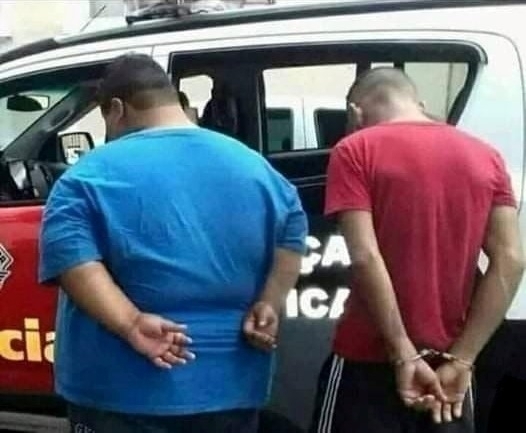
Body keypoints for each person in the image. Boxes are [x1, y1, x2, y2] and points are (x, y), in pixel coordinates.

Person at [39, 54, 307, 433]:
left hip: (119, 390)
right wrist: (270, 301)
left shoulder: (85, 177)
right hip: (230, 385)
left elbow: (73, 262)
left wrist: (130, 323)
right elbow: (292, 231)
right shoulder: (257, 168)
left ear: (116, 109)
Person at [310, 67, 524, 433]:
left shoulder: (356, 149)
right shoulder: (486, 156)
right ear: (419, 104)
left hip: (368, 358)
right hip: (448, 370)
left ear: (355, 112)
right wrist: (464, 358)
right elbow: (512, 259)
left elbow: (364, 255)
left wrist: (402, 352)